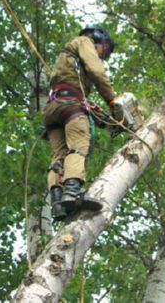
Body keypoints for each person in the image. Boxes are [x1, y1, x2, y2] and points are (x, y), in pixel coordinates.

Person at [42, 25, 117, 221]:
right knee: (79, 148)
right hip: (70, 106)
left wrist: (106, 121)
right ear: (99, 40)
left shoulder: (67, 61)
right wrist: (113, 102)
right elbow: (97, 72)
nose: (102, 56)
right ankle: (72, 193)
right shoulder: (84, 42)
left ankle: (57, 202)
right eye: (104, 51)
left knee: (59, 156)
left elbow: (79, 97)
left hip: (54, 109)